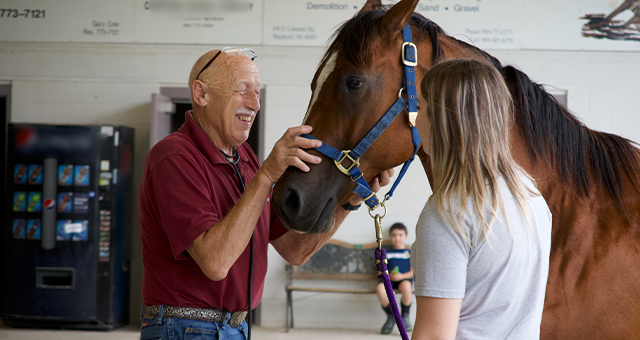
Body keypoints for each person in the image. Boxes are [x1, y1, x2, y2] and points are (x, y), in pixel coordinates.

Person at [138, 46, 392, 339]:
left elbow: (294, 250)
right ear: (201, 94)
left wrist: (352, 199)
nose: (255, 104)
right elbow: (215, 262)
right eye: (242, 89)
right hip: (186, 327)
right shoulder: (173, 156)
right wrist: (267, 175)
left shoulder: (245, 158)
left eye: (257, 92)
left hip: (235, 327)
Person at [410, 59, 552, 340]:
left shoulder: (448, 214)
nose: (415, 118)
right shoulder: (531, 195)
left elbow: (434, 335)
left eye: (422, 107)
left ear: (442, 119)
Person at [377, 222, 414, 334]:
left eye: (400, 235)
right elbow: (381, 270)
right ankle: (392, 315)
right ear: (390, 237)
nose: (397, 238)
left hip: (404, 279)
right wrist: (389, 276)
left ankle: (405, 315)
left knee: (407, 286)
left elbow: (413, 272)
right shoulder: (385, 253)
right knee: (380, 288)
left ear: (406, 236)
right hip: (389, 280)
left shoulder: (409, 253)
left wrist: (401, 276)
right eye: (394, 235)